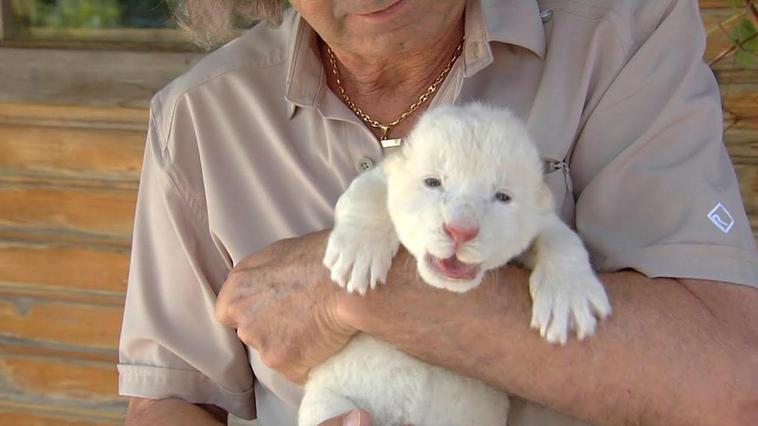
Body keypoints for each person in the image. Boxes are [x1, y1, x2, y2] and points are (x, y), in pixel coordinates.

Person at [119, 0, 758, 425]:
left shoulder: (621, 34)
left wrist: (359, 290)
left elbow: (732, 379)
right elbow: (172, 397)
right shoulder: (199, 116)